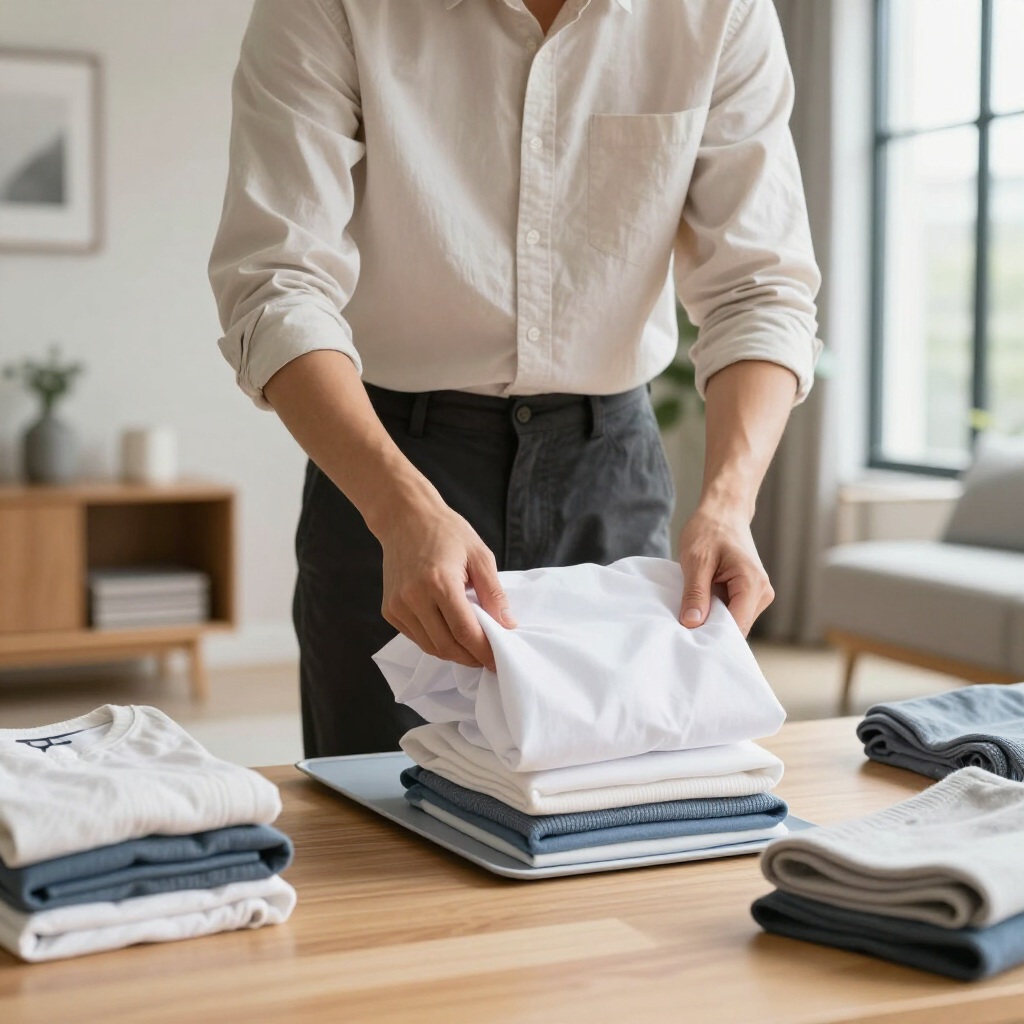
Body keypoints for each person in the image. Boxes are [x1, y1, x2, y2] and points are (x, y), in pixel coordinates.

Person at [209, 0, 821, 759]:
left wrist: (730, 500)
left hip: (610, 467)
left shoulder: (719, 13)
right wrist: (400, 509)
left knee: (613, 812)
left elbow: (759, 289)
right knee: (378, 814)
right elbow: (276, 286)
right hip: (391, 466)